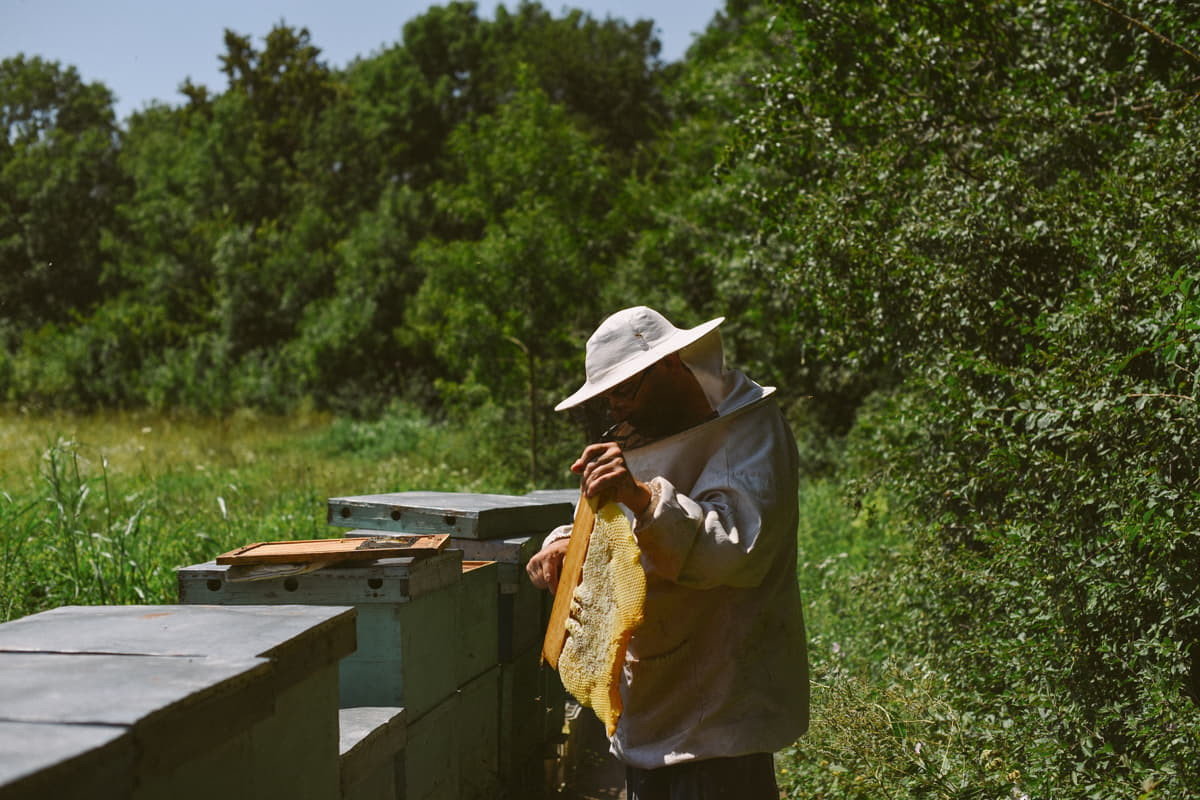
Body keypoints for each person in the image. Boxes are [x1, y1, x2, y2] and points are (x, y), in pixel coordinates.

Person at [527, 305, 809, 800]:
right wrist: (563, 546)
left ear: (671, 364)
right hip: (649, 702)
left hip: (720, 718)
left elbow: (737, 550)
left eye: (624, 390)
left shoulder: (749, 431)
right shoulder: (639, 431)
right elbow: (613, 528)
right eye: (607, 397)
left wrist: (641, 496)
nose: (615, 408)